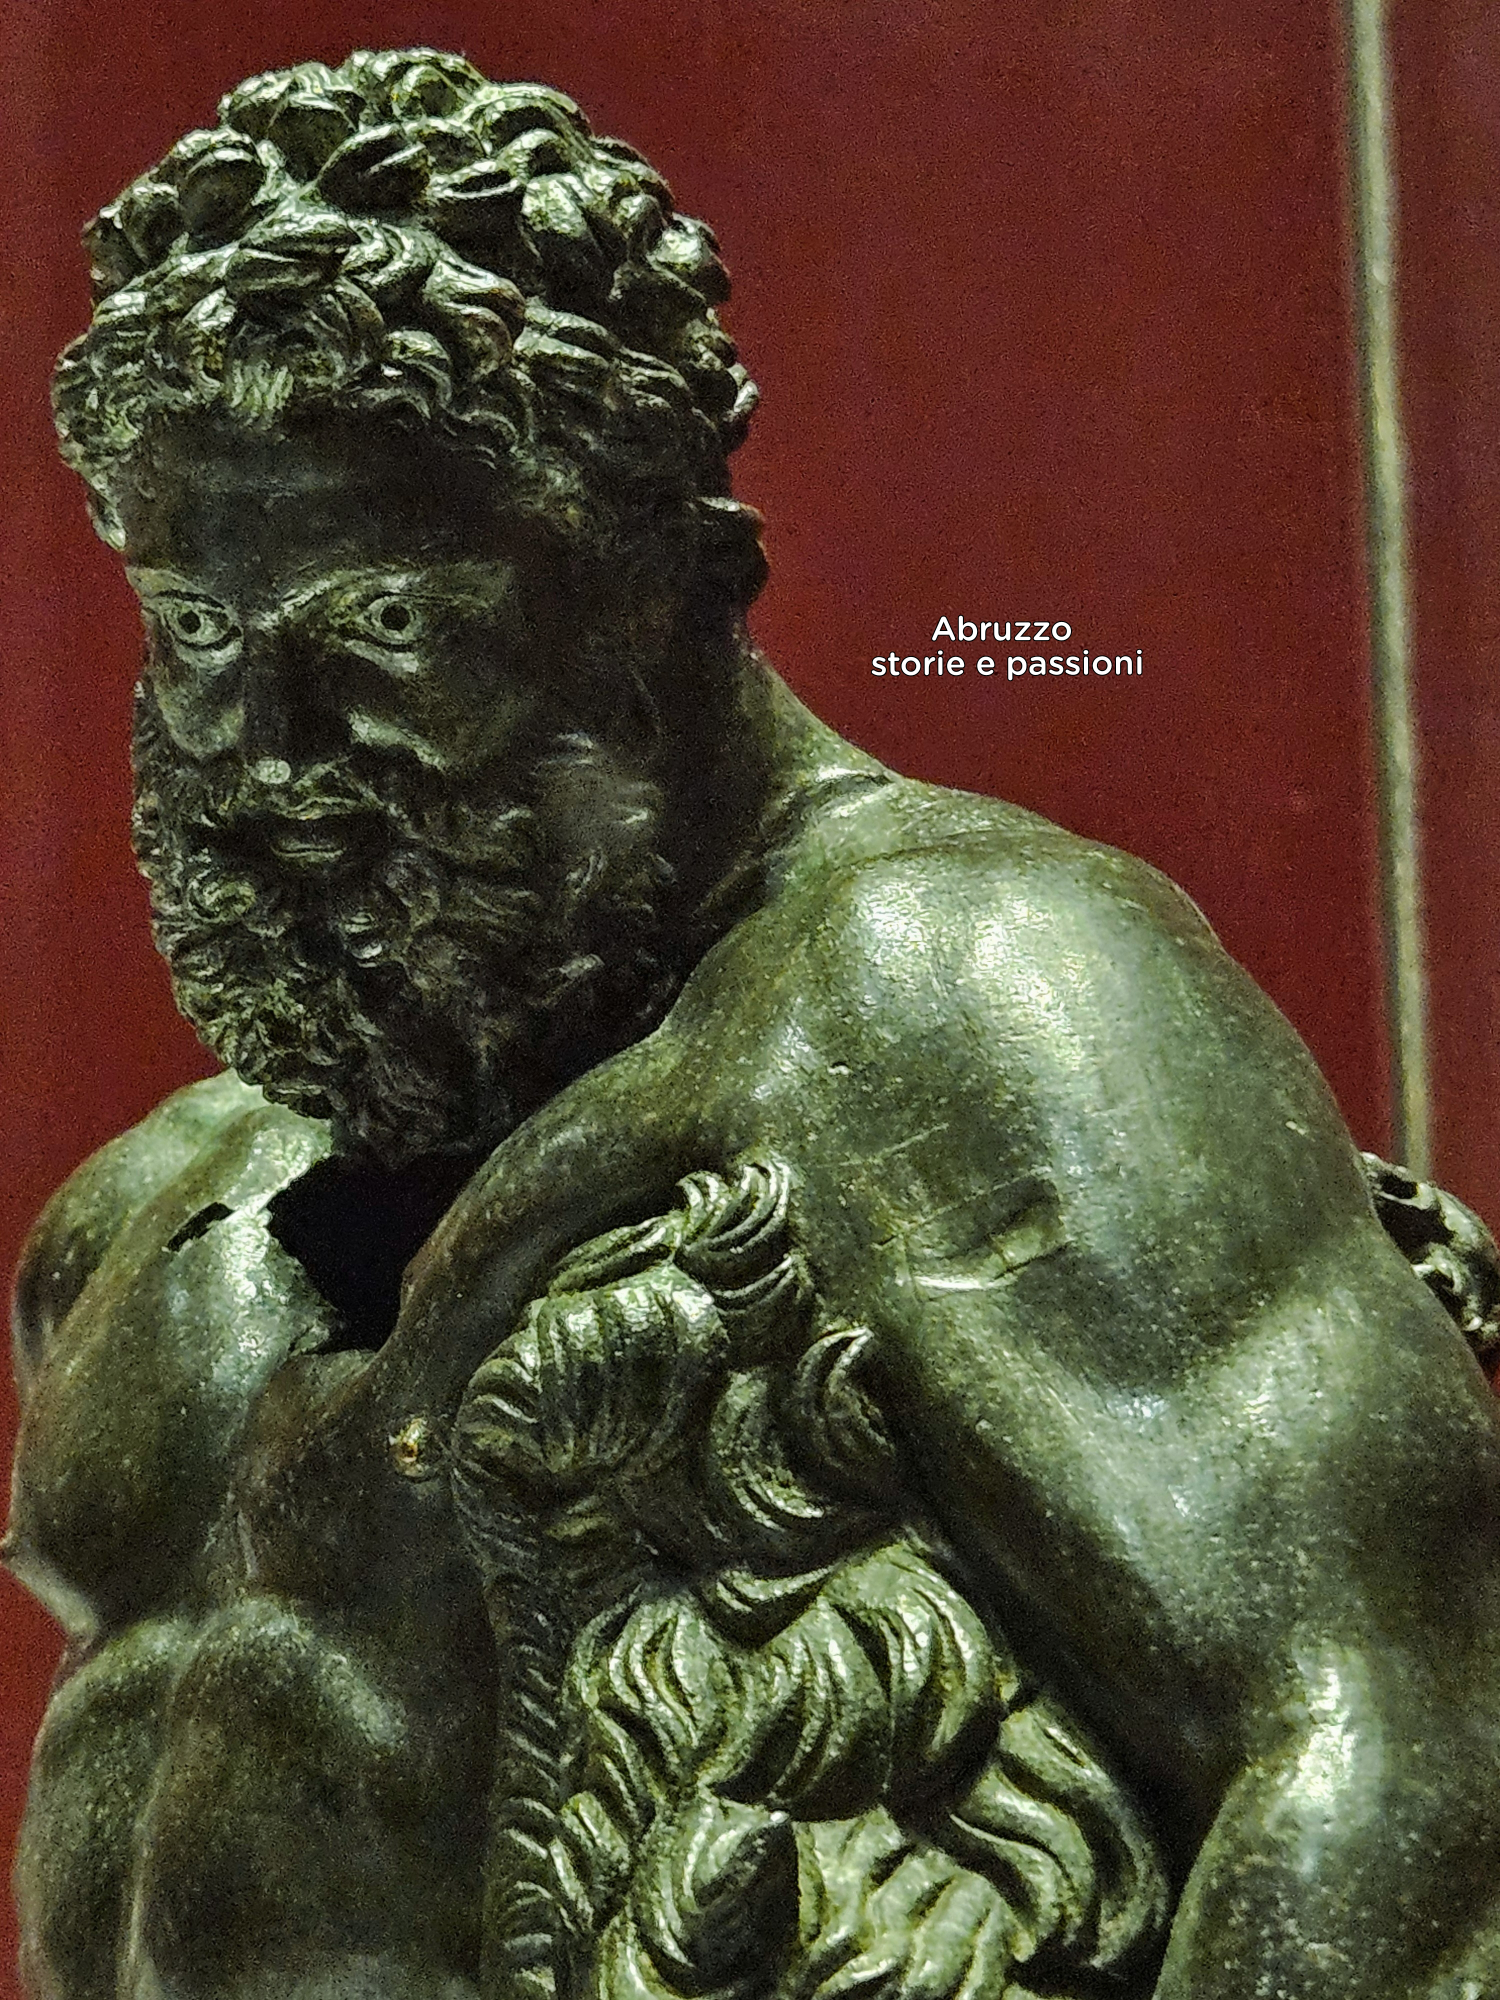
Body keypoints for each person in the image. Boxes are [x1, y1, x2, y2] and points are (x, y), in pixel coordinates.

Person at [10, 48, 1500, 2000]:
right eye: (202, 631)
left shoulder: (960, 990)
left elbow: (1396, 1751)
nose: (268, 752)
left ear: (655, 586)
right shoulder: (151, 1213)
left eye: (385, 624)